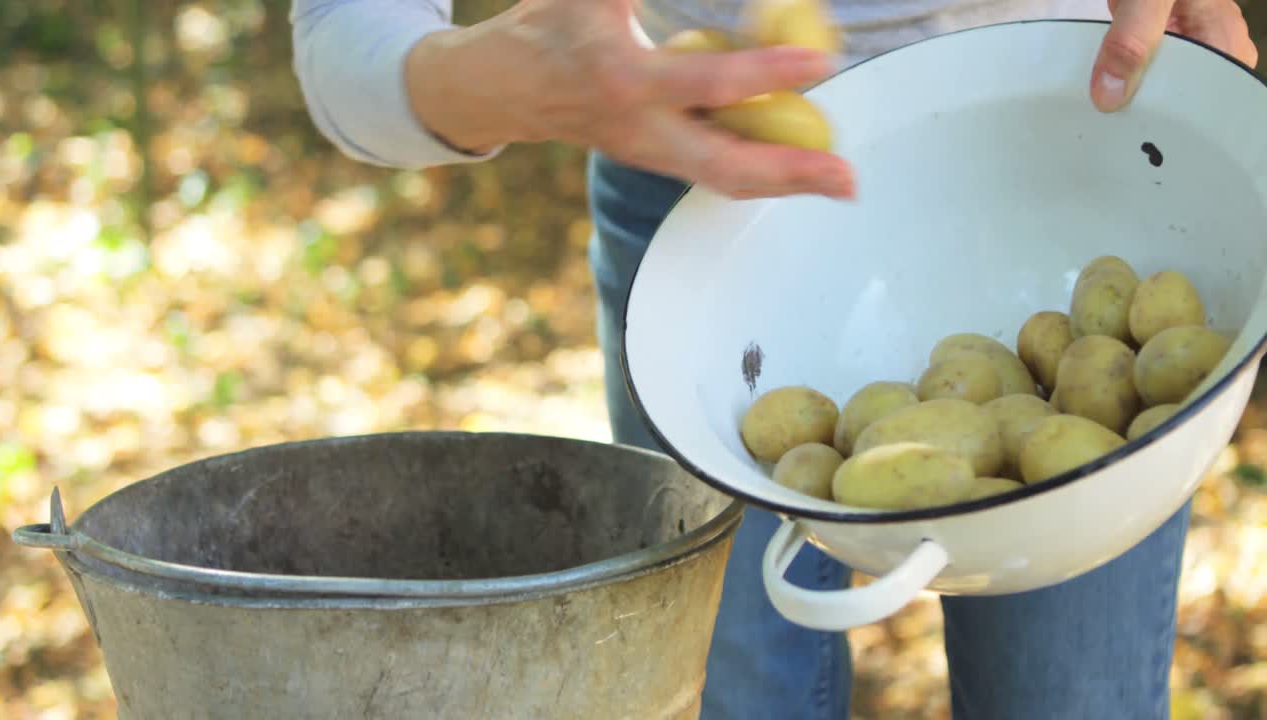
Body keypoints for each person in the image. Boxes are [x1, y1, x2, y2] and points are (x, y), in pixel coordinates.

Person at [288, 1, 1257, 717]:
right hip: (701, 190)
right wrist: (503, 78)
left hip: (1067, 120)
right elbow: (347, 38)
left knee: (1069, 699)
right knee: (737, 692)